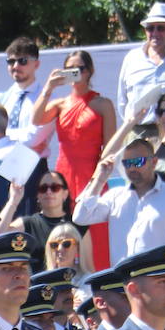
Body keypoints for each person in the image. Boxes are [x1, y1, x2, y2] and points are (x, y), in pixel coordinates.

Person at [32, 49, 119, 265]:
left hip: (91, 175)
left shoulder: (103, 104)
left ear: (89, 72)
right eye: (70, 69)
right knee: (62, 232)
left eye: (79, 68)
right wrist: (49, 87)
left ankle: (98, 281)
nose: (75, 73)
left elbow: (110, 145)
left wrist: (99, 178)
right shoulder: (60, 104)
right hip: (63, 175)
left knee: (96, 234)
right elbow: (36, 119)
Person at [72, 139, 165, 267]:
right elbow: (80, 217)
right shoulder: (116, 197)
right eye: (127, 163)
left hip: (159, 281)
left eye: (138, 162)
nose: (131, 168)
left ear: (154, 162)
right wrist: (99, 180)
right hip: (124, 282)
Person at [0, 39, 56, 163]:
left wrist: (2, 134)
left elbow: (34, 139)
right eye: (11, 61)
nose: (16, 66)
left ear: (36, 64)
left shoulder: (47, 100)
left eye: (23, 61)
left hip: (31, 163)